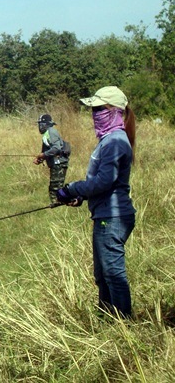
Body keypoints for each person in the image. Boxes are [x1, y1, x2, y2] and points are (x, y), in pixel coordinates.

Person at [56, 86, 136, 319]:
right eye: (93, 109)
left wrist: (71, 189)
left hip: (113, 217)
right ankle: (107, 318)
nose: (95, 114)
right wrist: (80, 197)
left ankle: (123, 324)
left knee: (113, 274)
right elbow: (101, 184)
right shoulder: (109, 141)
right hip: (104, 215)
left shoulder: (115, 142)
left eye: (100, 109)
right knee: (102, 275)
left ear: (115, 111)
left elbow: (104, 181)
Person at [33, 114, 69, 205]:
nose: (39, 127)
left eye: (41, 124)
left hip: (58, 163)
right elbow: (47, 150)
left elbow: (56, 148)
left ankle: (58, 204)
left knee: (55, 187)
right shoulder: (46, 134)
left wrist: (43, 154)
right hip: (55, 163)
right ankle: (59, 202)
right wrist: (40, 159)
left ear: (46, 124)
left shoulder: (51, 132)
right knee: (55, 186)